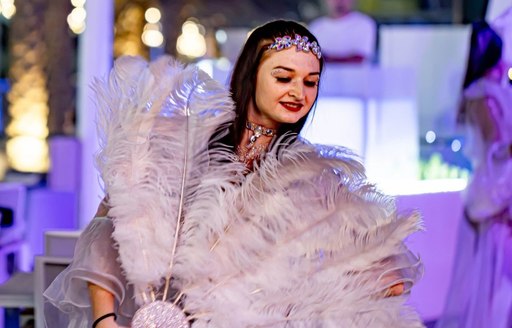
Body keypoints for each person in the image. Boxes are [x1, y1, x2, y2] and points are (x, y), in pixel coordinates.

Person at [44, 20, 423, 327]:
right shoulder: (184, 140)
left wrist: (304, 305)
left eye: (310, 82)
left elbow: (388, 273)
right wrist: (105, 320)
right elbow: (109, 226)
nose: (298, 92)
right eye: (283, 76)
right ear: (251, 74)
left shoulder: (312, 177)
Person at [435, 21, 512, 328]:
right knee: (491, 268)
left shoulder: (486, 90)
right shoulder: (482, 93)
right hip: (494, 183)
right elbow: (496, 142)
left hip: (495, 181)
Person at [308, 0, 377, 63]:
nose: (339, 1)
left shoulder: (365, 23)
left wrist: (325, 57)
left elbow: (359, 59)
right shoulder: (315, 27)